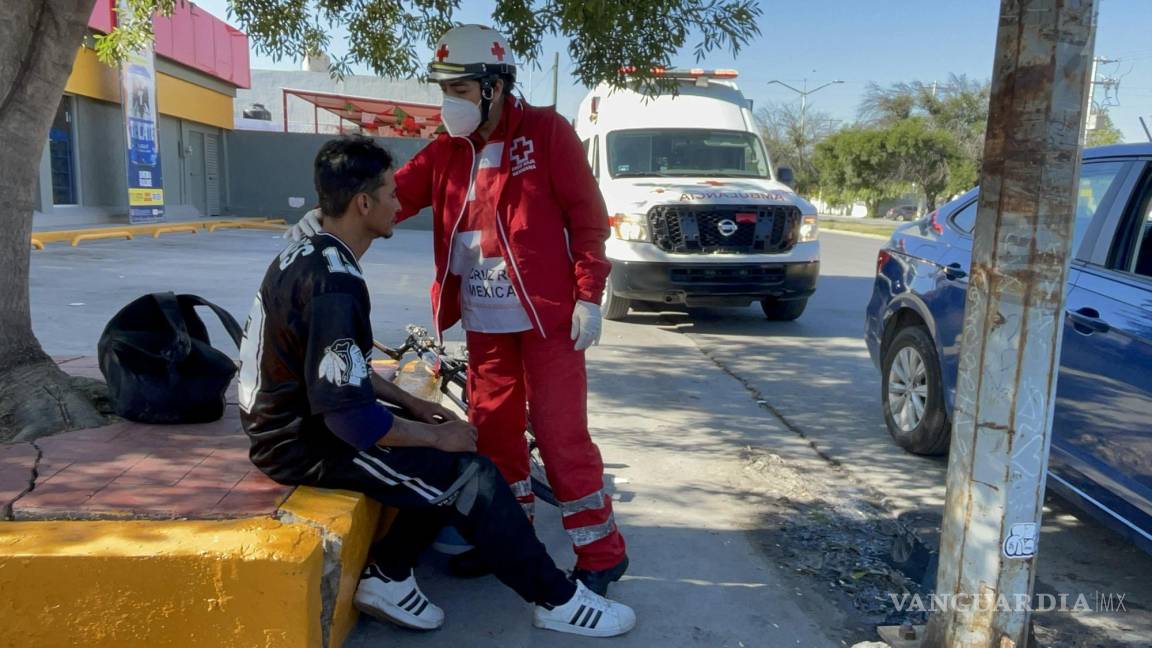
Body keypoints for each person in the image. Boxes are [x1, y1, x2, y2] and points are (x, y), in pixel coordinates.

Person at [239, 136, 635, 637]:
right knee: (471, 476)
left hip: (295, 424)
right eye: (389, 193)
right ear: (363, 204)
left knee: (439, 464)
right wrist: (434, 436)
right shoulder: (334, 282)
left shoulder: (315, 254)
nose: (399, 203)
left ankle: (389, 575)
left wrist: (414, 407)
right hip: (302, 442)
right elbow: (350, 418)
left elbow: (344, 367)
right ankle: (556, 600)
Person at [289, 24, 629, 595]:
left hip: (547, 322)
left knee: (559, 435)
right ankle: (509, 543)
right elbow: (386, 196)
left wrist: (589, 294)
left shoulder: (547, 134)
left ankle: (601, 553)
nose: (450, 104)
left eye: (462, 91)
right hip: (487, 326)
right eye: (445, 91)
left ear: (496, 86)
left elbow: (589, 220)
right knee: (494, 438)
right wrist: (326, 218)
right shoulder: (445, 153)